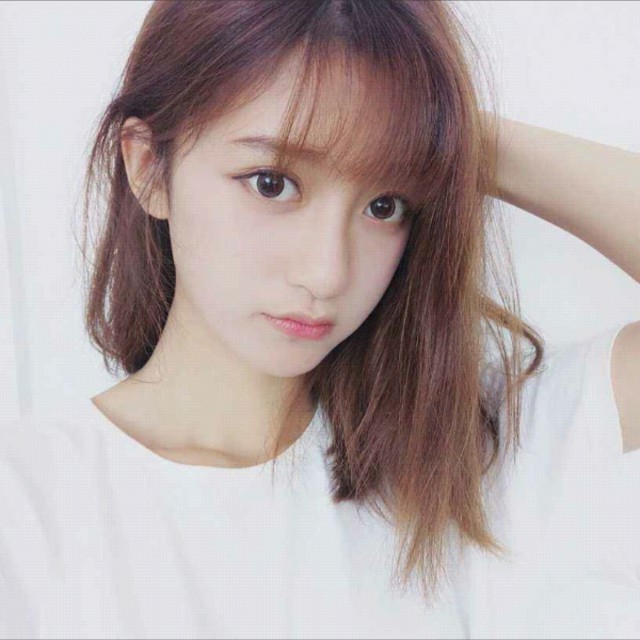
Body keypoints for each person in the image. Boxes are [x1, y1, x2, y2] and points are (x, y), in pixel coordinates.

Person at [1, 1, 639, 638]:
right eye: (272, 184)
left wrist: (448, 130)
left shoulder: (471, 453)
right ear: (148, 168)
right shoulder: (29, 506)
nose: (328, 272)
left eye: (384, 204)